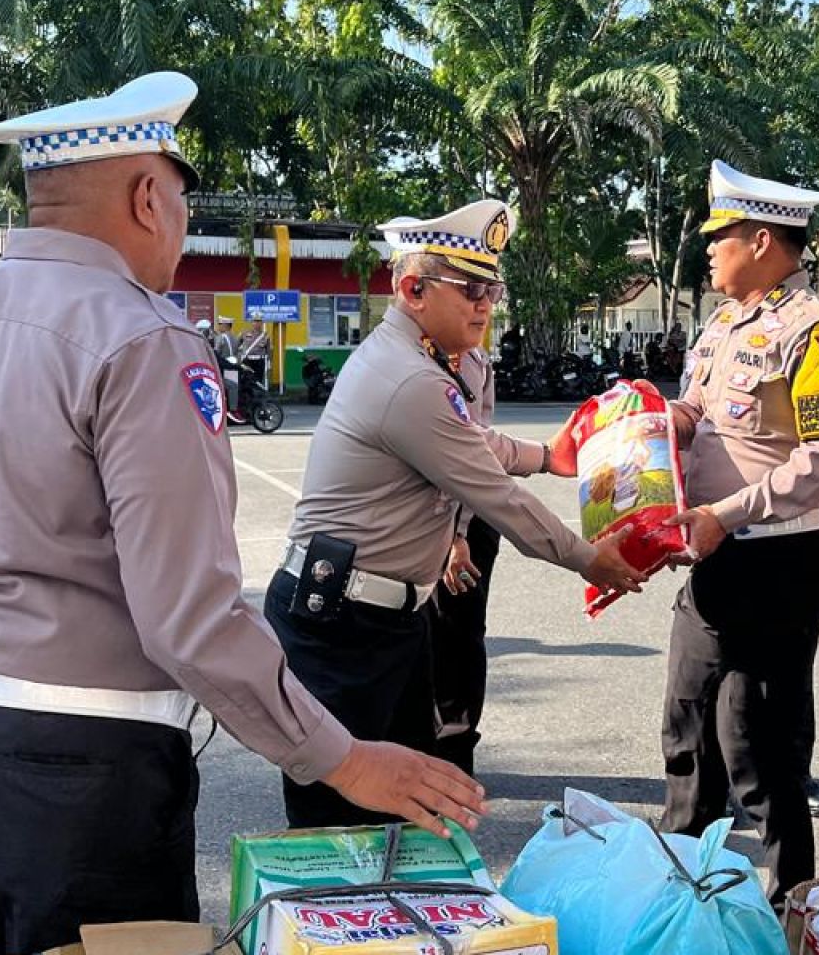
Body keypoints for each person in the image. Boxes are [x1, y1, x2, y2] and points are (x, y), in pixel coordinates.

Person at [0, 72, 484, 954]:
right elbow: (189, 617)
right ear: (149, 198)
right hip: (72, 777)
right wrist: (343, 758)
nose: (180, 229)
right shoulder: (146, 339)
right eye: (181, 203)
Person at [270, 199, 646, 828]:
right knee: (336, 829)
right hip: (341, 627)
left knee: (404, 808)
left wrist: (547, 457)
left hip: (387, 619)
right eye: (470, 290)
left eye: (492, 290)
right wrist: (590, 560)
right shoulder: (409, 379)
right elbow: (497, 496)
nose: (485, 305)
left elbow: (472, 441)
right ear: (413, 291)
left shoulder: (424, 365)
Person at [662, 160, 819, 906]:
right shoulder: (723, 324)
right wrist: (655, 422)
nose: (708, 250)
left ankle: (791, 906)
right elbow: (696, 413)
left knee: (754, 747)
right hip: (713, 557)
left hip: (778, 560)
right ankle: (679, 899)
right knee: (688, 733)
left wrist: (731, 514)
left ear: (759, 241)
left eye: (719, 238)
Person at [428, 339, 503, 777]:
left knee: (454, 639)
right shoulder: (426, 348)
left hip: (463, 525)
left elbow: (467, 455)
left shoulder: (460, 356)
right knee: (428, 639)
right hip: (438, 521)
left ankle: (454, 759)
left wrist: (457, 536)